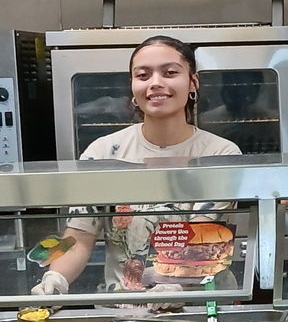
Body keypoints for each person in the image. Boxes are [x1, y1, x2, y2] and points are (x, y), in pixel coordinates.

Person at [31, 35, 241, 297]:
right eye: (143, 75)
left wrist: (174, 285)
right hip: (124, 313)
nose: (155, 83)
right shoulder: (102, 153)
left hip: (200, 310)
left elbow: (203, 237)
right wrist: (55, 278)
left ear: (192, 82)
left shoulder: (221, 154)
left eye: (170, 72)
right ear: (132, 86)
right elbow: (79, 238)